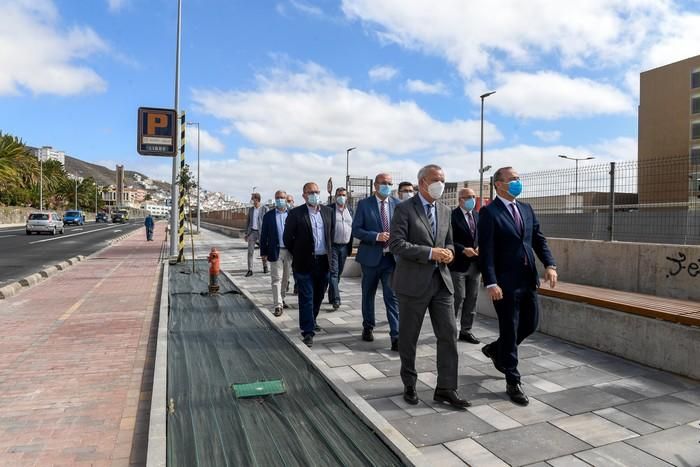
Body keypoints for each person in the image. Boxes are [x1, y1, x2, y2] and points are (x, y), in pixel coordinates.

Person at [390, 164, 469, 409]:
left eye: (443, 180)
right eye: (436, 179)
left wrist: (449, 254)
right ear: (423, 182)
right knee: (409, 337)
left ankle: (446, 388)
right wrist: (430, 253)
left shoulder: (445, 211)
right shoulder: (404, 209)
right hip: (413, 283)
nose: (441, 184)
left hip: (442, 284)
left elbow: (450, 243)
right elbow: (396, 244)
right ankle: (410, 384)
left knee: (448, 335)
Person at [478, 166, 557, 406]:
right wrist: (491, 281)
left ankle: (495, 349)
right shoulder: (489, 213)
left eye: (519, 179)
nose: (518, 182)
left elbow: (537, 239)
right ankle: (512, 379)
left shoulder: (526, 209)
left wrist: (550, 264)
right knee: (510, 329)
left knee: (530, 324)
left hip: (527, 278)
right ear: (499, 184)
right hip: (504, 283)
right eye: (513, 179)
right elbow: (487, 251)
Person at [352, 173, 400, 351]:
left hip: (391, 259)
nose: (386, 186)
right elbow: (356, 230)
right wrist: (376, 236)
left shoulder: (398, 204)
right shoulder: (364, 204)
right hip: (370, 258)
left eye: (389, 183)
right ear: (375, 185)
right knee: (368, 293)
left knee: (392, 297)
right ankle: (368, 326)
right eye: (383, 183)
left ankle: (396, 335)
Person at [283, 182, 334, 347]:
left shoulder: (328, 212)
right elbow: (287, 238)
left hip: (323, 263)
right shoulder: (296, 214)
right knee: (306, 298)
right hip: (304, 263)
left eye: (317, 192)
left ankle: (311, 320)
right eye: (311, 192)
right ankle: (308, 331)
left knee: (318, 296)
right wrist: (299, 253)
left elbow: (330, 237)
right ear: (304, 195)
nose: (315, 194)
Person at [449, 188, 481, 344]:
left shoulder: (477, 215)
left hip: (475, 265)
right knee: (458, 297)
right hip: (458, 265)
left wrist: (479, 247)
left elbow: (482, 236)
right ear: (460, 199)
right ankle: (449, 330)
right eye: (468, 197)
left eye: (474, 197)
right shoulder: (451, 216)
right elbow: (446, 239)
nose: (472, 200)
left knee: (472, 299)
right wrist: (462, 249)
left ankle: (466, 331)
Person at [260, 190, 292, 317]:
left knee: (286, 278)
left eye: (282, 197)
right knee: (276, 278)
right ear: (275, 199)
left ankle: (282, 298)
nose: (280, 200)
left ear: (286, 199)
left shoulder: (291, 214)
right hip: (275, 251)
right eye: (277, 197)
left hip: (289, 251)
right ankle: (277, 305)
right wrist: (263, 252)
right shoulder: (269, 216)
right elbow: (264, 235)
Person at [327, 187, 353, 310]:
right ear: (335, 196)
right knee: (334, 272)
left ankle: (331, 294)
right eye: (339, 194)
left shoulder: (351, 211)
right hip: (333, 246)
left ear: (347, 197)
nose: (341, 197)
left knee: (338, 274)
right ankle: (336, 299)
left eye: (343, 194)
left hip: (344, 246)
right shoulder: (329, 209)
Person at [244, 192, 268, 277]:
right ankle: (250, 270)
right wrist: (246, 234)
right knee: (250, 252)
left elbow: (267, 222)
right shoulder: (251, 209)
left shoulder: (265, 209)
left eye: (252, 198)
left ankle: (265, 266)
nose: (251, 200)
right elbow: (248, 222)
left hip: (262, 232)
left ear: (256, 199)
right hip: (252, 232)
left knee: (264, 251)